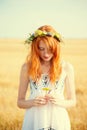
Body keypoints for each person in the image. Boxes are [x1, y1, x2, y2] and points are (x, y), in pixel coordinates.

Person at [17, 25, 76, 130]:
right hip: (34, 120)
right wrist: (33, 102)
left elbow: (72, 101)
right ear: (35, 48)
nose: (46, 53)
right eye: (41, 49)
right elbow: (20, 102)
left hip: (58, 120)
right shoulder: (26, 67)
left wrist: (60, 102)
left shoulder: (67, 67)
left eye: (50, 49)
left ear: (56, 48)